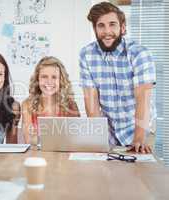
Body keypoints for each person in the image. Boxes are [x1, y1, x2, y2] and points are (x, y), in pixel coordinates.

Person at [79, 2, 156, 153]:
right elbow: (92, 104)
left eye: (112, 24)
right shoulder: (86, 54)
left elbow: (143, 100)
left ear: (122, 27)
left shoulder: (139, 54)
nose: (107, 31)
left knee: (139, 174)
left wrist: (138, 139)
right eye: (101, 26)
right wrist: (98, 140)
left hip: (141, 129)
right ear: (95, 29)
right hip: (109, 133)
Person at [22, 56, 80, 143]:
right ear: (37, 79)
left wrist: (40, 139)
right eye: (44, 77)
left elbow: (76, 140)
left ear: (61, 80)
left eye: (54, 77)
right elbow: (29, 140)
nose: (49, 81)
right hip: (37, 156)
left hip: (63, 156)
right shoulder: (27, 105)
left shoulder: (71, 106)